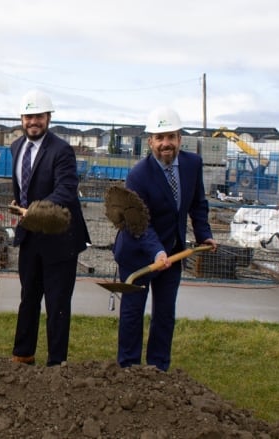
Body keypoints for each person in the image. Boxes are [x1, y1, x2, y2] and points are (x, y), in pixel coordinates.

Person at [114, 106, 218, 371]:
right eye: (159, 138)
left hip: (173, 252)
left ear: (180, 139)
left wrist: (204, 235)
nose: (165, 144)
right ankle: (129, 368)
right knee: (132, 312)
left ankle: (158, 369)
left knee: (164, 314)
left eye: (170, 136)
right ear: (150, 141)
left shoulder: (193, 165)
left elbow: (198, 204)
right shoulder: (139, 175)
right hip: (138, 253)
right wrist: (156, 252)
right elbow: (140, 223)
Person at [9, 90, 91, 366]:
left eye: (39, 116)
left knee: (57, 304)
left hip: (59, 238)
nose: (34, 121)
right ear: (22, 118)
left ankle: (57, 363)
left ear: (48, 118)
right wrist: (20, 205)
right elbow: (23, 186)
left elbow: (66, 191)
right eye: (29, 116)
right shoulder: (16, 147)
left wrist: (34, 210)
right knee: (28, 297)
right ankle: (23, 353)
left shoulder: (62, 150)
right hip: (30, 237)